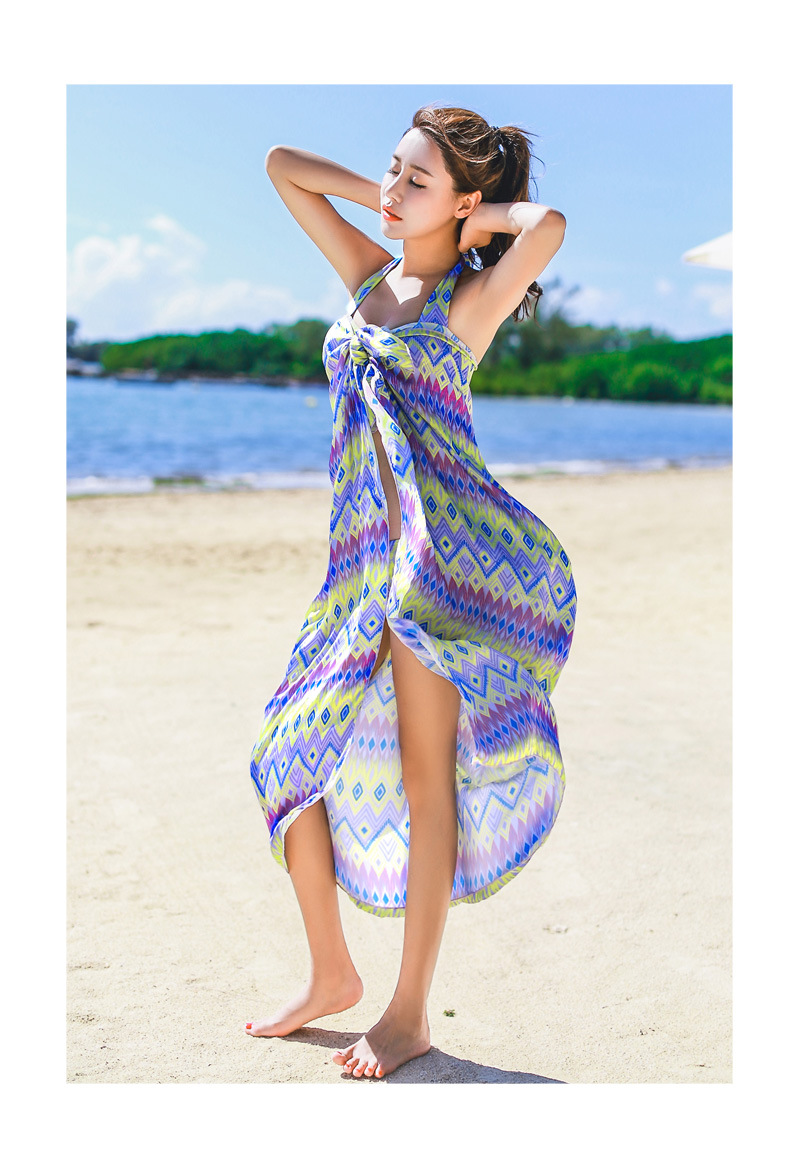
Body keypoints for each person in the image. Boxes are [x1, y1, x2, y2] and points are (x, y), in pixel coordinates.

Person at [246, 103, 576, 1079]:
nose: (392, 190)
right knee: (284, 755)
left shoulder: (464, 306)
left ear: (466, 201)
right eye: (392, 169)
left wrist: (473, 224)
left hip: (434, 576)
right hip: (357, 572)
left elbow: (548, 226)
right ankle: (330, 973)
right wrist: (396, 201)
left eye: (415, 178)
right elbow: (282, 165)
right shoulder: (366, 277)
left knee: (430, 786)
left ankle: (407, 1011)